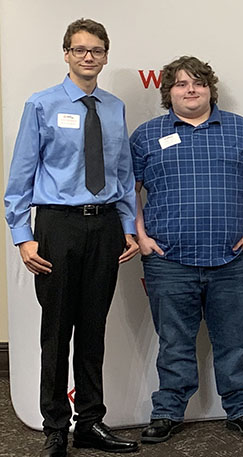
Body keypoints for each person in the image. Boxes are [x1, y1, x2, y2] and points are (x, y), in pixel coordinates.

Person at [3, 18, 140, 457]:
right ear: (66, 54)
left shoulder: (114, 107)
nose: (88, 57)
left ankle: (90, 422)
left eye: (96, 50)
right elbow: (20, 177)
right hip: (57, 226)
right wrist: (23, 236)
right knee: (57, 329)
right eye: (79, 49)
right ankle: (56, 427)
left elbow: (122, 174)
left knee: (94, 329)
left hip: (104, 226)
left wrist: (128, 227)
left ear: (105, 56)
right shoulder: (41, 105)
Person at [130, 56, 243, 442]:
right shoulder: (146, 135)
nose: (190, 89)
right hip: (168, 261)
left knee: (234, 341)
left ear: (210, 89)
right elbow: (129, 190)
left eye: (198, 82)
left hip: (232, 258)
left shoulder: (241, 129)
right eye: (181, 84)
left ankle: (242, 409)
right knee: (174, 343)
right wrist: (140, 236)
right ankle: (167, 412)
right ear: (168, 93)